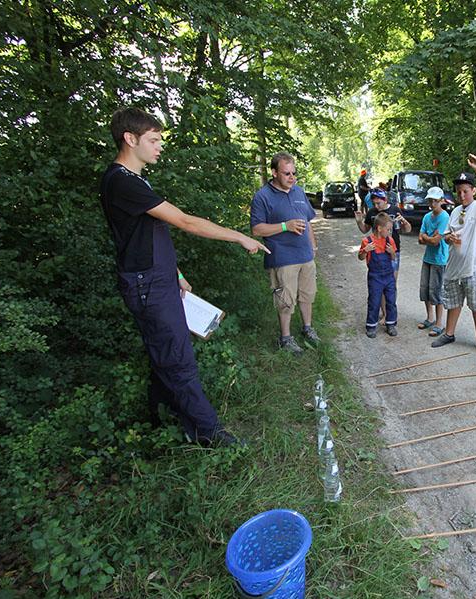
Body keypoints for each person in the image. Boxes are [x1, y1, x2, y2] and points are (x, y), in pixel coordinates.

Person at [99, 107, 268, 446]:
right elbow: (185, 222)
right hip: (148, 286)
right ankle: (210, 433)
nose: (160, 146)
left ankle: (161, 419)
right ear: (130, 139)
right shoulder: (120, 180)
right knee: (178, 359)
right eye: (154, 139)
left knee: (165, 351)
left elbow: (147, 235)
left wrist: (174, 273)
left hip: (158, 280)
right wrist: (238, 236)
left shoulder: (134, 180)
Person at [250, 152, 320, 355]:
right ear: (274, 172)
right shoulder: (263, 196)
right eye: (286, 173)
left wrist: (313, 247)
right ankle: (285, 338)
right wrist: (284, 226)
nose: (292, 178)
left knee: (308, 294)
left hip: (305, 255)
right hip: (282, 257)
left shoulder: (298, 192)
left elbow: (307, 222)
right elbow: (256, 229)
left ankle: (308, 328)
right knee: (286, 299)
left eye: (294, 173)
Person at [431, 154, 476, 356]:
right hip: (454, 265)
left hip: (475, 265)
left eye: (466, 191)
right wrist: (449, 238)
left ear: (474, 191)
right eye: (459, 191)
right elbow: (449, 234)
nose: (462, 195)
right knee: (453, 301)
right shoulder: (455, 211)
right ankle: (449, 333)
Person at [417, 187, 451, 337]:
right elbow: (420, 239)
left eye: (435, 201)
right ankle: (429, 318)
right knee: (425, 288)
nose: (432, 204)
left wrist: (427, 237)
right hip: (428, 258)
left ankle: (439, 323)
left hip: (439, 259)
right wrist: (428, 238)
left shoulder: (445, 217)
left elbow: (436, 242)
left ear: (442, 201)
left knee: (436, 290)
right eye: (430, 200)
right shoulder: (426, 217)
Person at [355, 188, 411, 279]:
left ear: (385, 200)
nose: (376, 206)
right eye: (374, 204)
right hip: (376, 251)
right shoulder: (372, 212)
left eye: (378, 203)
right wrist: (359, 222)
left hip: (393, 249)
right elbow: (365, 230)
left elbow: (407, 230)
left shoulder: (395, 210)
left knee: (392, 283)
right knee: (378, 282)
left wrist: (404, 221)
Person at [358, 213, 398, 338]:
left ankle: (390, 324)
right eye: (388, 229)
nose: (389, 232)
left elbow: (393, 257)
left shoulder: (389, 240)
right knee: (374, 301)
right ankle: (371, 326)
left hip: (389, 276)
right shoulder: (367, 241)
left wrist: (392, 253)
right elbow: (360, 257)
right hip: (375, 277)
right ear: (380, 228)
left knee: (391, 300)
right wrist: (366, 250)